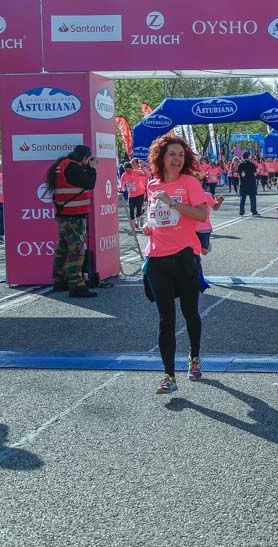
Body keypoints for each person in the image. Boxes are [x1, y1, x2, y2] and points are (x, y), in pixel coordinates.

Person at [143, 135, 210, 394]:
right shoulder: (152, 185)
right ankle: (168, 375)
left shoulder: (189, 183)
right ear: (161, 157)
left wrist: (173, 203)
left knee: (190, 312)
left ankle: (194, 355)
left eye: (181, 155)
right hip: (158, 258)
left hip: (184, 256)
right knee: (165, 319)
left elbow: (202, 215)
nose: (177, 159)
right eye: (172, 154)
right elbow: (155, 218)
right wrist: (147, 227)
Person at [46, 145, 97, 298]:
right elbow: (89, 183)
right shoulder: (73, 167)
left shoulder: (61, 165)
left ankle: (59, 280)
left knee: (63, 249)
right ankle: (76, 285)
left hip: (64, 214)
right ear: (84, 158)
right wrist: (92, 168)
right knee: (76, 251)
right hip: (74, 216)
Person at [119, 162, 147, 235]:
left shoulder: (136, 172)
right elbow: (121, 186)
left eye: (129, 170)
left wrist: (142, 168)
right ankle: (133, 230)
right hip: (131, 195)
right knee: (131, 211)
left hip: (140, 193)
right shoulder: (124, 176)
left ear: (132, 168)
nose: (128, 172)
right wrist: (120, 189)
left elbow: (145, 174)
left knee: (138, 211)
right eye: (126, 170)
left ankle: (139, 219)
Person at [237, 151, 258, 216]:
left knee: (243, 198)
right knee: (252, 198)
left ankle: (241, 212)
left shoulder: (240, 164)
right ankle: (254, 211)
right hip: (251, 182)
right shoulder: (252, 164)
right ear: (248, 157)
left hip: (243, 183)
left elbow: (238, 173)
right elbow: (255, 173)